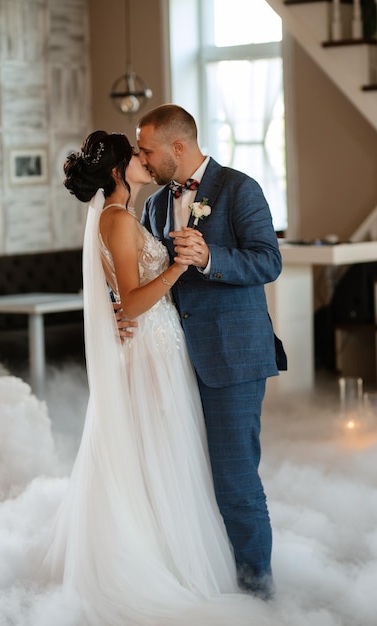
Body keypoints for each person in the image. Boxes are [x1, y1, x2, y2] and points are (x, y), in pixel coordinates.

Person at [39, 130, 265, 625]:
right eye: (137, 154)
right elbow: (135, 301)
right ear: (119, 170)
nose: (146, 159)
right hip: (150, 352)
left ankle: (187, 560)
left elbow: (131, 297)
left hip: (167, 348)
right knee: (163, 455)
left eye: (148, 150)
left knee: (174, 459)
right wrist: (180, 267)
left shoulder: (139, 213)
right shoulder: (118, 219)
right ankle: (166, 567)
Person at [134, 104, 284, 600]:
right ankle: (213, 581)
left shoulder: (240, 188)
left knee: (236, 482)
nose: (143, 158)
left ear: (178, 147)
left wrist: (210, 257)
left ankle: (259, 595)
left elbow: (268, 260)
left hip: (234, 358)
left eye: (148, 149)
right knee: (189, 477)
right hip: (176, 360)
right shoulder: (155, 205)